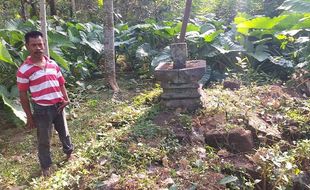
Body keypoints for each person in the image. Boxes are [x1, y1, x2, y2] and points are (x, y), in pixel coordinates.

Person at [16, 31, 74, 177]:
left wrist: (65, 99)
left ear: (44, 45)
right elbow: (23, 95)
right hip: (42, 109)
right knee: (44, 139)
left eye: (40, 44)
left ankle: (69, 154)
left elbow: (61, 83)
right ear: (27, 46)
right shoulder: (24, 70)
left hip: (59, 105)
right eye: (34, 45)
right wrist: (29, 117)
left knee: (64, 133)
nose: (38, 48)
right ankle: (46, 166)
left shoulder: (52, 64)